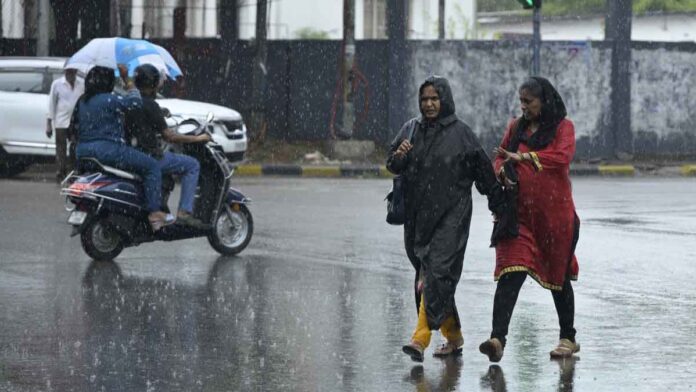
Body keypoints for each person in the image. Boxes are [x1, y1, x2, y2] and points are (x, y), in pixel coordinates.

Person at [387, 76, 503, 362]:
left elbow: (484, 172)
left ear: (445, 100)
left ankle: (420, 338)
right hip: (418, 218)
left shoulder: (461, 134)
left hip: (453, 215)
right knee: (432, 277)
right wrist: (399, 156)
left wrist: (499, 205)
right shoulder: (411, 129)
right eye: (424, 99)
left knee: (436, 273)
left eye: (434, 99)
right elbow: (392, 164)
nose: (428, 104)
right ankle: (453, 336)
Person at [478, 76, 581, 362]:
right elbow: (499, 158)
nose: (523, 107)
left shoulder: (563, 128)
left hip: (554, 219)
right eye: (521, 101)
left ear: (544, 101)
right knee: (510, 273)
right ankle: (497, 338)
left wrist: (524, 159)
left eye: (528, 102)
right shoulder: (515, 127)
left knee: (558, 277)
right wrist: (502, 171)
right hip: (519, 218)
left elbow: (561, 157)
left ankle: (568, 338)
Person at [74, 65, 171, 231]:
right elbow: (135, 103)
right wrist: (128, 80)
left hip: (83, 151)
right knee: (152, 166)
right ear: (108, 82)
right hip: (108, 150)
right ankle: (155, 212)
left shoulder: (83, 101)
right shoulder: (108, 99)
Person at [125, 64, 210, 227]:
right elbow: (169, 136)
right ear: (152, 84)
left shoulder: (130, 102)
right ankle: (184, 212)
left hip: (133, 154)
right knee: (192, 165)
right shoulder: (150, 105)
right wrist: (199, 139)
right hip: (150, 156)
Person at [46, 66, 84, 181]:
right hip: (61, 121)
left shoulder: (82, 84)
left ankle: (73, 172)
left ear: (76, 72)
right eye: (68, 72)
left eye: (72, 72)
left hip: (77, 121)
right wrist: (48, 124)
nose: (70, 74)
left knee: (75, 147)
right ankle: (61, 172)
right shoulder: (57, 84)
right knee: (61, 148)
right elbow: (51, 104)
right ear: (65, 72)